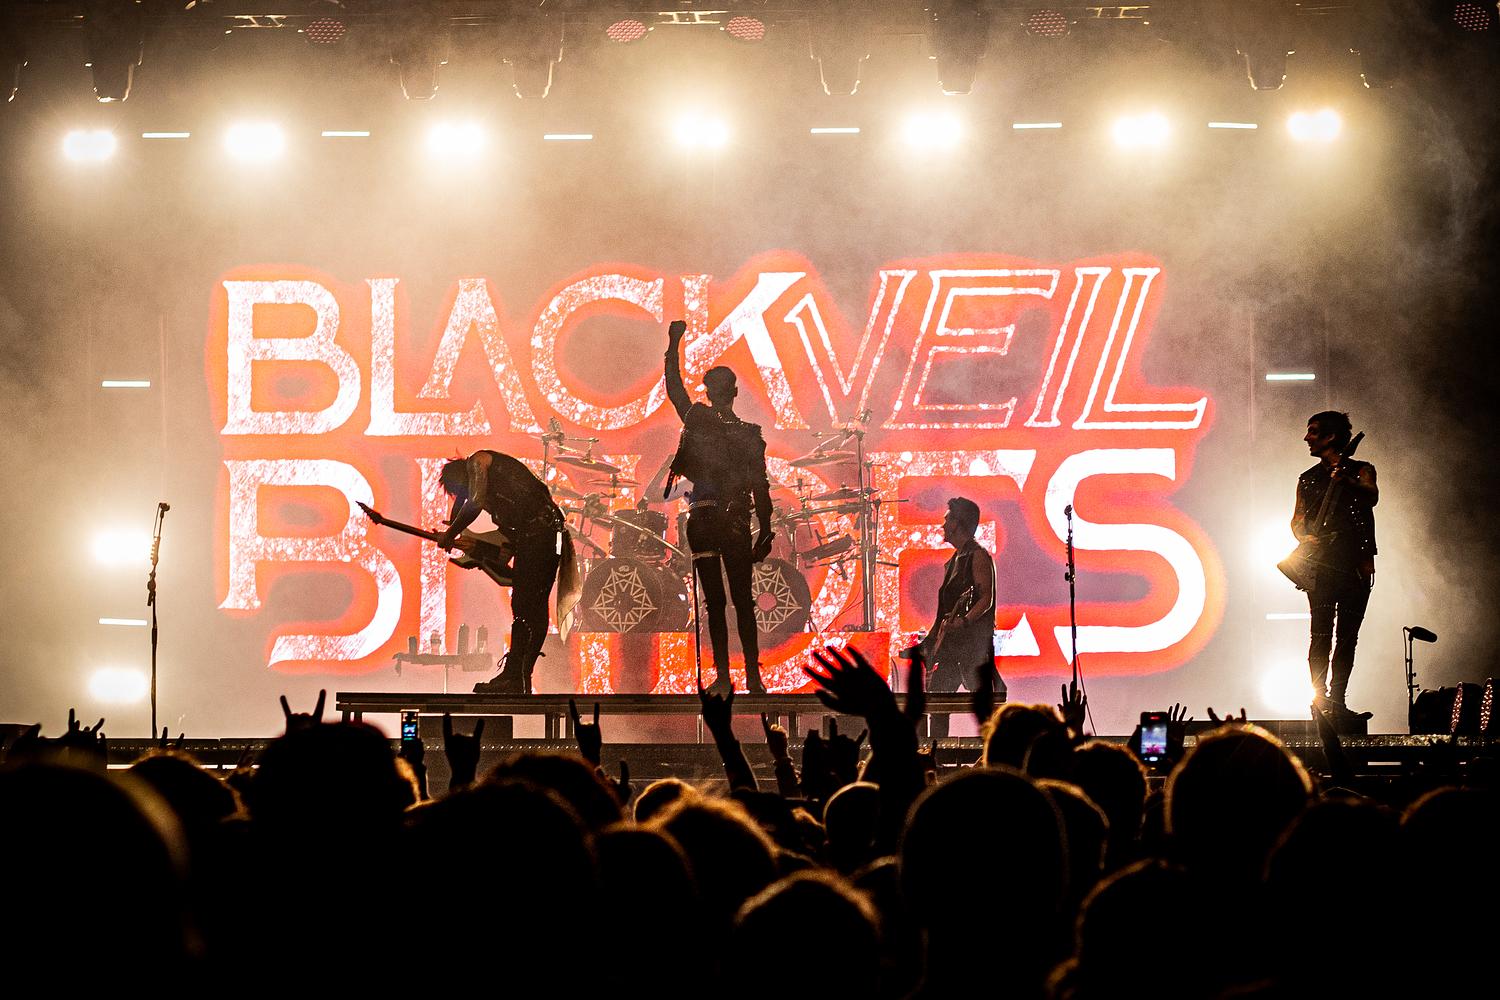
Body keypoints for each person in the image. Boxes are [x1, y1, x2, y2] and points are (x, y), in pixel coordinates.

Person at [663, 319, 775, 693]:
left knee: (715, 602)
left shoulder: (698, 418)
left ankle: (725, 677)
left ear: (709, 393)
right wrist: (766, 530)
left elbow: (674, 389)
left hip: (704, 516)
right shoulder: (749, 435)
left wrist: (674, 344)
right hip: (735, 521)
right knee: (742, 600)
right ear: (735, 392)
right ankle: (753, 678)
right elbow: (760, 487)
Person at [437, 450, 573, 694]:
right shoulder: (495, 490)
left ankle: (515, 676)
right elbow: (500, 525)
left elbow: (474, 501)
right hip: (541, 536)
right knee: (530, 605)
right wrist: (471, 543)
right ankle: (519, 676)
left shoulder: (479, 461)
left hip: (540, 535)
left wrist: (450, 533)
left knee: (526, 604)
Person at [1291, 410, 1377, 718]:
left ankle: (1338, 702)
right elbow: (1297, 520)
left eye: (1313, 432)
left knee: (1347, 638)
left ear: (1331, 437)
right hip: (1321, 567)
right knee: (1320, 635)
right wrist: (1305, 537)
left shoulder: (1362, 470)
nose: (1307, 438)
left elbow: (1371, 495)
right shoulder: (1307, 479)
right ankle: (1319, 701)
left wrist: (1347, 482)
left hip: (1355, 564)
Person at [904, 497, 1000, 737]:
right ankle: (936, 753)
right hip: (951, 649)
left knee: (984, 712)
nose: (943, 525)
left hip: (973, 649)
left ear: (958, 523)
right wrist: (927, 645)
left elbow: (986, 599)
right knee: (937, 703)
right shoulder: (955, 560)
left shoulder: (978, 556)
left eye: (947, 520)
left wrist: (965, 621)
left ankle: (990, 753)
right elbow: (943, 614)